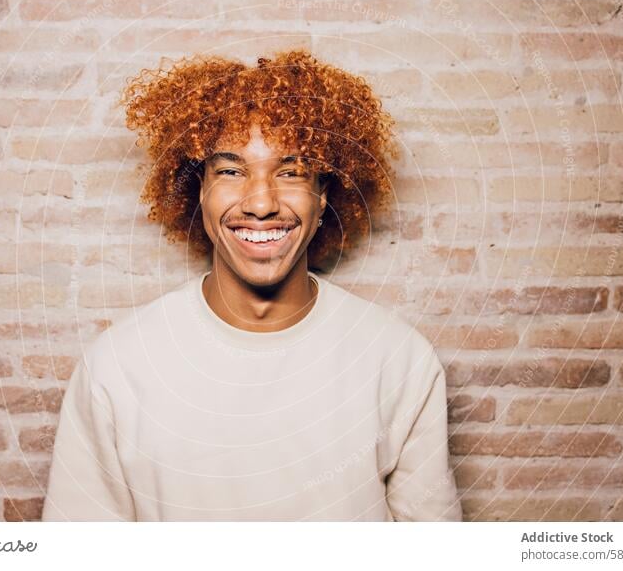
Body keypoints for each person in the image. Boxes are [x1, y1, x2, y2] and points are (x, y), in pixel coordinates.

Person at [41, 49, 462, 522]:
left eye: (290, 172)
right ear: (197, 191)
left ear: (324, 197)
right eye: (231, 171)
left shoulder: (399, 359)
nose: (261, 203)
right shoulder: (116, 368)